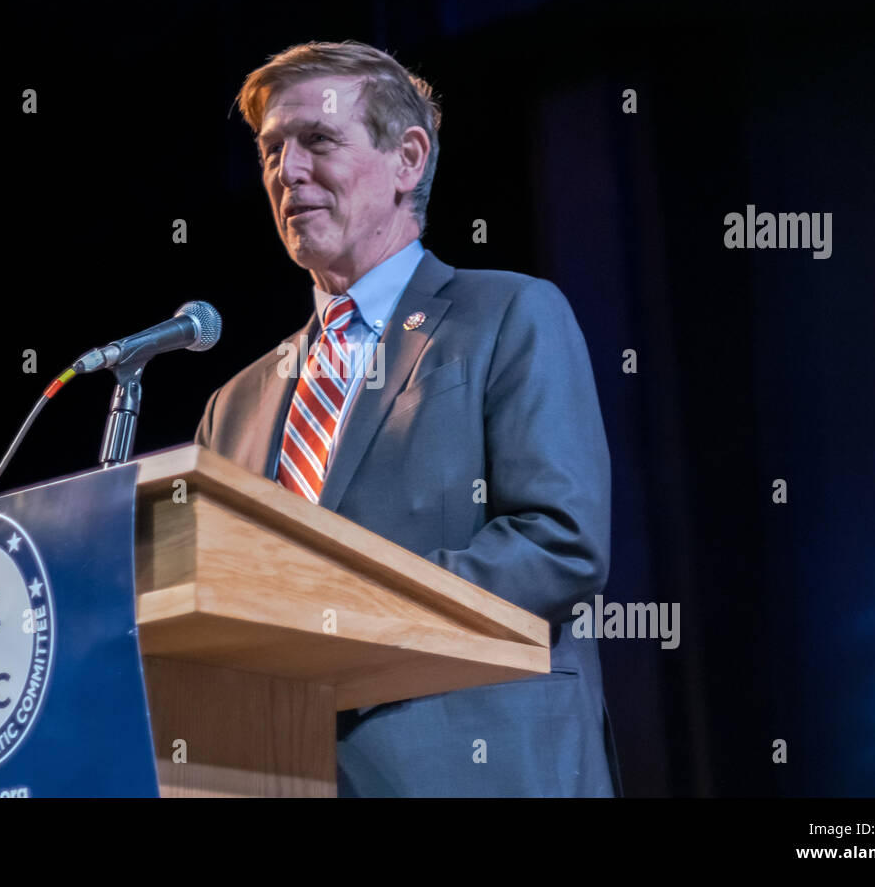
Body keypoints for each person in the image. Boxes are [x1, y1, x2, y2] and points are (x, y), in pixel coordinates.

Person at [195, 40, 621, 796]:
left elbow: (559, 545)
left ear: (409, 159)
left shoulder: (509, 316)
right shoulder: (235, 405)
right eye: (272, 150)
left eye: (318, 140)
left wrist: (337, 619)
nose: (287, 172)